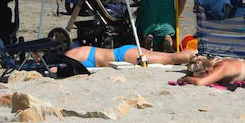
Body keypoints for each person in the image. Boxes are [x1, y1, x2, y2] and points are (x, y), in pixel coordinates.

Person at [66, 44, 195, 70]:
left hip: (122, 57)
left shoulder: (70, 56)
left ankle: (196, 54)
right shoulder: (76, 51)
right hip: (125, 51)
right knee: (168, 57)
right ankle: (196, 53)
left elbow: (59, 69)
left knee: (170, 59)